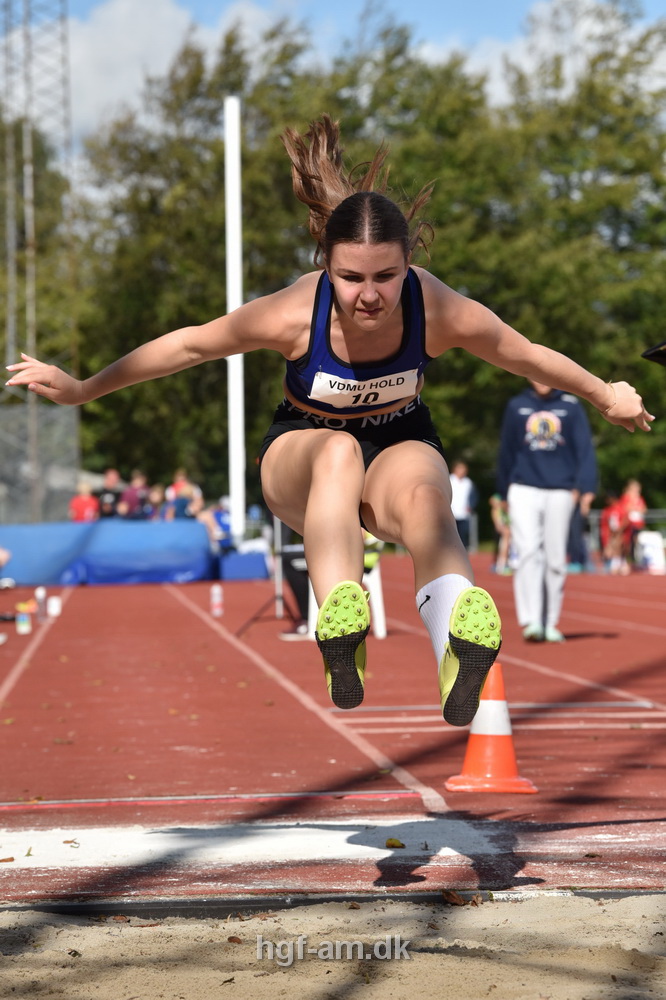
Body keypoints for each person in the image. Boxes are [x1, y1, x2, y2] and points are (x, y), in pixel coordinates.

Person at [5, 115, 654, 726]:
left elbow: (525, 353)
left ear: (408, 264)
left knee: (429, 493)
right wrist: (85, 388)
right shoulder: (293, 311)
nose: (369, 295)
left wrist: (605, 395)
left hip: (399, 436)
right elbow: (190, 344)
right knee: (339, 456)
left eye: (386, 276)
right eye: (350, 278)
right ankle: (341, 617)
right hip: (302, 452)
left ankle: (457, 633)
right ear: (325, 263)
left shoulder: (436, 306)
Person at [497, 379, 599, 643]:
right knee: (528, 551)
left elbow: (584, 449)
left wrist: (585, 487)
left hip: (561, 490)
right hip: (523, 488)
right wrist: (503, 490)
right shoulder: (516, 405)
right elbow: (506, 451)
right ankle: (531, 621)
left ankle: (550, 622)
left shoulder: (571, 406)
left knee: (555, 558)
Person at [449, 460, 478, 550]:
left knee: (463, 535)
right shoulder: (449, 480)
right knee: (450, 535)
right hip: (450, 513)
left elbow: (474, 496)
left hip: (463, 514)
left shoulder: (468, 482)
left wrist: (471, 506)